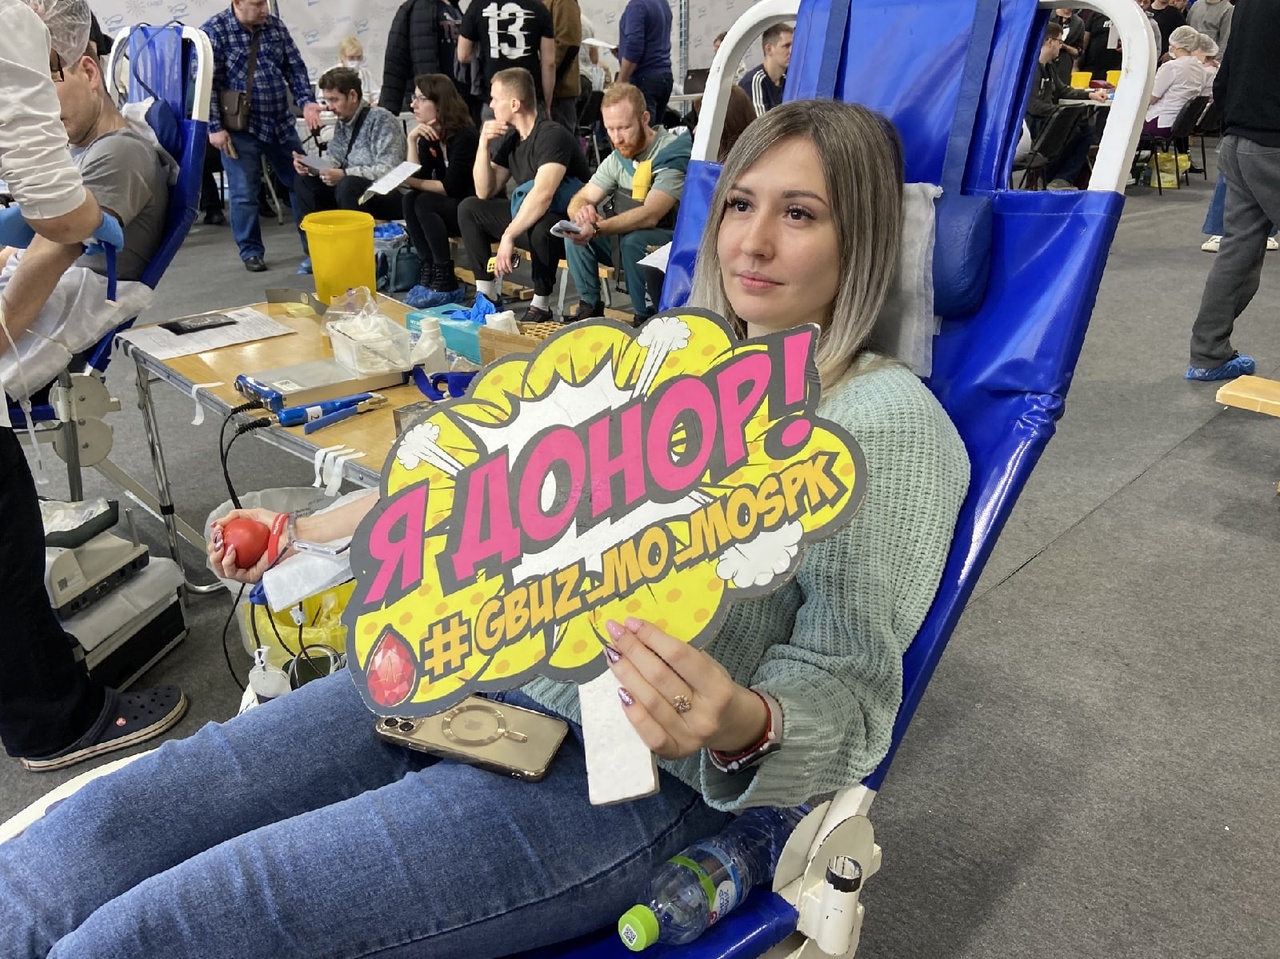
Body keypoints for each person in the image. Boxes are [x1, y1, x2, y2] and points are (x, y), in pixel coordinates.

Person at [0, 98, 969, 958]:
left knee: (164, 928)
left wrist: (741, 722)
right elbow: (480, 494)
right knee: (92, 837)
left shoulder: (884, 423)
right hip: (467, 665)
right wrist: (309, 527)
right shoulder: (666, 360)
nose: (751, 243)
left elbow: (851, 684)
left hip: (623, 773)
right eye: (742, 204)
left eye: (799, 214)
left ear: (860, 238)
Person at [0, 0, 186, 774]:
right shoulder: (82, 142)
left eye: (50, 79)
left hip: (47, 313)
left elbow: (58, 240)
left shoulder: (119, 156)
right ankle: (52, 716)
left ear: (84, 68)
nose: (41, 101)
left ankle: (51, 715)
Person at [1186, 0, 1279, 382]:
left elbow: (1225, 73)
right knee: (1238, 252)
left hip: (1239, 141)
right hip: (1273, 142)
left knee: (1237, 251)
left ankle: (1208, 355)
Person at [457, 67, 590, 323]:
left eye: (495, 99)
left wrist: (508, 236)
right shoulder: (513, 139)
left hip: (569, 222)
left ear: (515, 104)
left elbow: (543, 196)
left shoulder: (552, 135)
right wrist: (483, 145)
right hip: (533, 214)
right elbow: (484, 191)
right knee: (469, 208)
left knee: (542, 225)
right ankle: (487, 296)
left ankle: (540, 305)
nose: (490, 105)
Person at [203, 0, 321, 272]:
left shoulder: (275, 27)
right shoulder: (214, 31)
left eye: (265, 3)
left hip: (280, 124)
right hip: (240, 130)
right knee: (244, 193)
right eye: (257, 4)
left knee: (302, 182)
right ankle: (251, 251)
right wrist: (214, 127)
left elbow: (294, 67)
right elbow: (206, 83)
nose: (264, 9)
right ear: (237, 3)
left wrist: (306, 101)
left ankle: (314, 245)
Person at [564, 82, 688, 321]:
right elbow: (582, 196)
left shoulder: (671, 153)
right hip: (626, 240)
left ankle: (645, 318)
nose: (617, 138)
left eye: (624, 128)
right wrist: (582, 213)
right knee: (575, 235)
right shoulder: (617, 158)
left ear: (644, 119)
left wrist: (597, 228)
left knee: (634, 242)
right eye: (610, 129)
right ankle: (590, 309)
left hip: (671, 240)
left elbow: (651, 214)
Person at [291, 67, 407, 273]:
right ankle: (318, 251)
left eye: (334, 100)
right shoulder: (343, 122)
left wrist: (345, 174)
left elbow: (391, 170)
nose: (330, 107)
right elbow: (334, 159)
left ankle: (353, 255)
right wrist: (311, 166)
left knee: (347, 185)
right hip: (350, 188)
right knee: (304, 182)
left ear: (352, 95)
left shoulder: (382, 120)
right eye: (327, 101)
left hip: (385, 193)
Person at [399, 72, 479, 309]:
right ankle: (429, 269)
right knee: (410, 199)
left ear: (439, 103)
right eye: (414, 98)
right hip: (452, 205)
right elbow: (420, 176)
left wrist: (407, 180)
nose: (413, 105)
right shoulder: (429, 136)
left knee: (424, 201)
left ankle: (446, 279)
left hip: (473, 206)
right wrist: (412, 140)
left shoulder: (465, 136)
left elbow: (451, 187)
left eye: (421, 99)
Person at [1026, 21, 1109, 190]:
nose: (1060, 46)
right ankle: (1051, 176)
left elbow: (1063, 90)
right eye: (1059, 41)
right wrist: (1063, 112)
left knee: (1086, 130)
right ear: (1049, 42)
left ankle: (1061, 179)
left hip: (1047, 119)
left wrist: (1089, 94)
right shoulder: (1032, 70)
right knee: (1073, 131)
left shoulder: (1049, 68)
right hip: (1033, 124)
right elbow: (1033, 106)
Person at [457, 0, 556, 121]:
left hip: (495, 99)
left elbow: (463, 55)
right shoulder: (538, 7)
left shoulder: (478, 5)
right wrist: (547, 105)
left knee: (494, 132)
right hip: (530, 98)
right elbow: (549, 63)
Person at [378, 0, 451, 114]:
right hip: (431, 100)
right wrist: (388, 112)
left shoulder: (454, 8)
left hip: (457, 100)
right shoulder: (412, 10)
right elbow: (395, 63)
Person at [1142, 24, 1205, 136]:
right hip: (1182, 123)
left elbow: (1152, 97)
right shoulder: (1199, 67)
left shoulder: (1171, 67)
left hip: (1162, 121)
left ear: (1177, 46)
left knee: (1129, 126)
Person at [616, 0, 672, 123]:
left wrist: (621, 81)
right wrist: (622, 52)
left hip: (644, 79)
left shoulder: (637, 6)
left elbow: (634, 49)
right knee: (655, 131)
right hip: (664, 75)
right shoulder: (662, 3)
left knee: (642, 131)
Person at [739, 22, 793, 117]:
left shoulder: (787, 79)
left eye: (793, 46)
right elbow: (762, 124)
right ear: (769, 49)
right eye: (786, 46)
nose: (791, 51)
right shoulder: (755, 81)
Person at [545, 0, 581, 131]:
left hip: (559, 93)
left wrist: (547, 81)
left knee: (560, 139)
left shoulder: (563, 2)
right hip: (544, 91)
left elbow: (568, 44)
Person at [321, 35, 378, 108]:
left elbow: (377, 95)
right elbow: (322, 101)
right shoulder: (329, 75)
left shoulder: (365, 74)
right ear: (342, 57)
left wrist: (374, 104)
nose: (356, 61)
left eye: (359, 57)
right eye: (351, 58)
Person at [1050, 7, 1085, 87]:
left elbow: (1079, 51)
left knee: (1062, 88)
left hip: (1064, 64)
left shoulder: (1078, 23)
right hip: (1046, 59)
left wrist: (1065, 46)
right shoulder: (1049, 16)